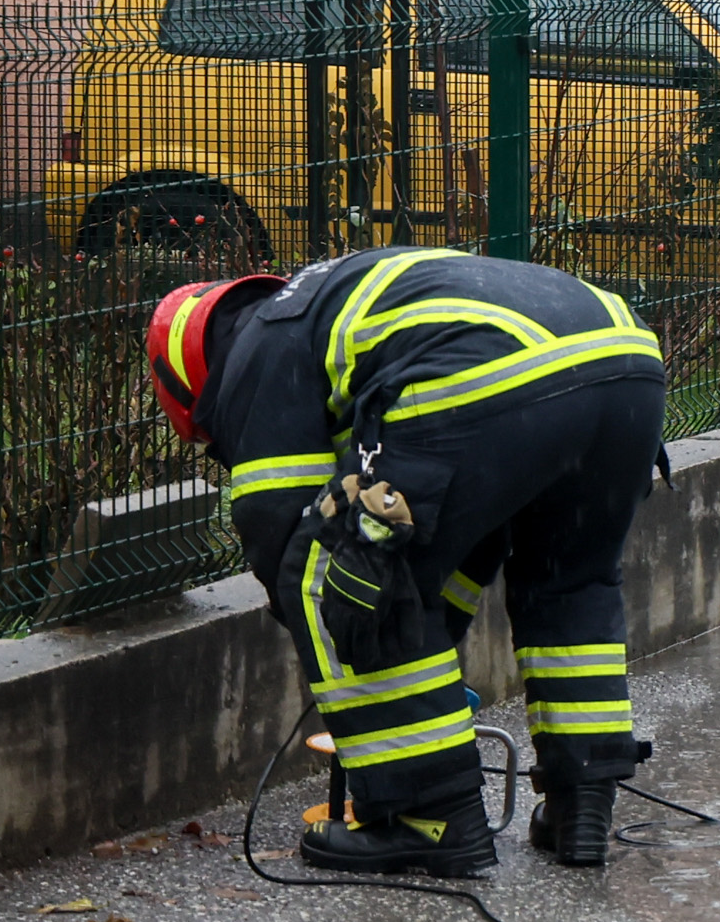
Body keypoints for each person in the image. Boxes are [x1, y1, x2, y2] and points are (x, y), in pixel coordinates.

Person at [145, 253, 667, 875]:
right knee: (569, 584)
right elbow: (453, 529)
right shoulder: (327, 299)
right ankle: (582, 805)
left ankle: (431, 817)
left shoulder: (261, 348)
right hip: (627, 364)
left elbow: (280, 535)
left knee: (330, 577)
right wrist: (422, 637)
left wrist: (366, 649)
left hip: (492, 377)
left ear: (189, 384)